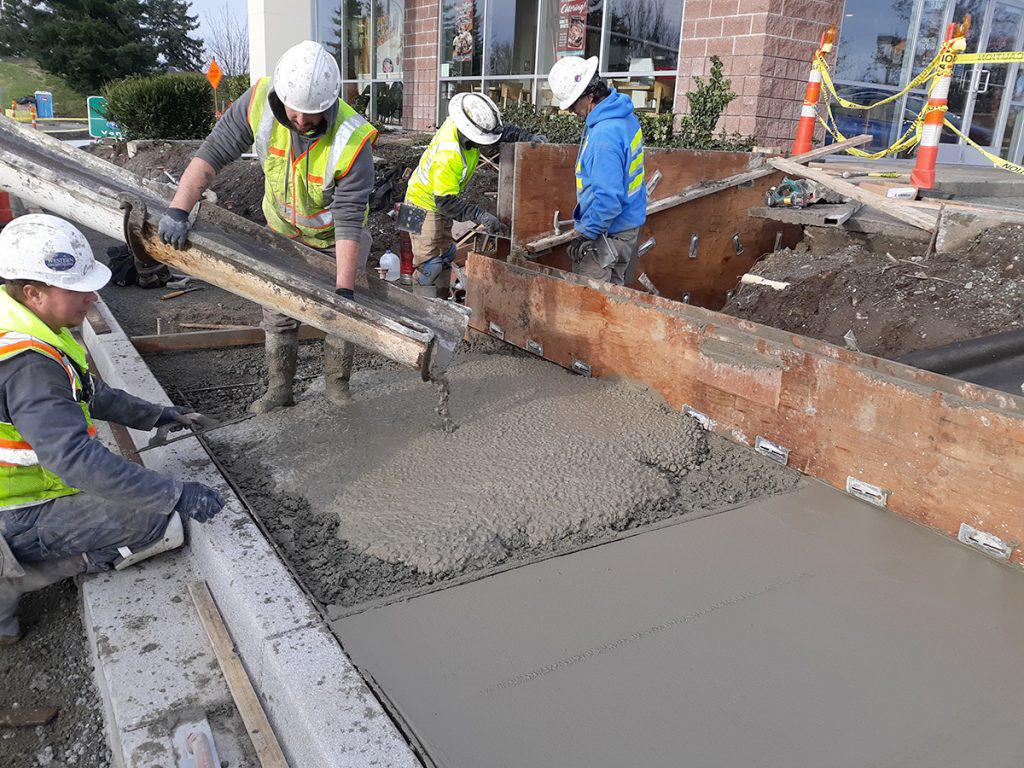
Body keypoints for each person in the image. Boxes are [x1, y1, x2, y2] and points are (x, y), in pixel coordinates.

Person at [0, 215, 224, 644]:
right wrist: (173, 494)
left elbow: (90, 393)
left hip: (16, 502)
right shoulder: (28, 365)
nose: (92, 296)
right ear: (34, 292)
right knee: (154, 519)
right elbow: (74, 460)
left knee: (136, 489)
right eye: (77, 289)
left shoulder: (23, 324)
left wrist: (159, 414)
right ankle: (15, 577)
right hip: (16, 514)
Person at [157, 40, 377, 413]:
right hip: (281, 231)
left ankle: (337, 389)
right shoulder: (258, 101)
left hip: (335, 238)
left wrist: (344, 291)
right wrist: (179, 209)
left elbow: (349, 217)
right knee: (277, 310)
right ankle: (280, 391)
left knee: (340, 316)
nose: (302, 123)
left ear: (330, 104)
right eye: (295, 113)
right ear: (281, 96)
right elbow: (213, 152)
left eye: (313, 116)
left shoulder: (352, 140)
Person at [402, 92, 546, 291]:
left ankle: (440, 300)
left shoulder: (463, 123)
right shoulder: (449, 155)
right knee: (429, 265)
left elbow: (498, 132)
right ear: (469, 135)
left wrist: (528, 138)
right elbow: (445, 202)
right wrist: (480, 215)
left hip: (436, 199)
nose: (487, 145)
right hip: (420, 203)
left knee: (446, 255)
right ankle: (419, 303)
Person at [547, 56, 647, 285]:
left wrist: (587, 234)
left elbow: (609, 200)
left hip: (607, 233)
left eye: (573, 104)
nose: (571, 110)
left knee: (589, 301)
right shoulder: (623, 116)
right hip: (626, 228)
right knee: (613, 297)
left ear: (590, 96)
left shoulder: (604, 135)